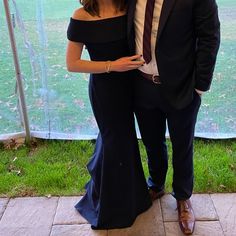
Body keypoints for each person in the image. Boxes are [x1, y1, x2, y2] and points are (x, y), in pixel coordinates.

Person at [127, 0, 220, 234]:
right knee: (151, 140)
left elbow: (209, 38)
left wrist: (200, 87)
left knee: (182, 144)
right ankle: (156, 184)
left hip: (182, 87)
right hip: (141, 83)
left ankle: (183, 197)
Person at [66, 0, 152, 230]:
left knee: (125, 141)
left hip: (135, 85)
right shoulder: (82, 16)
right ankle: (113, 209)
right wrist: (112, 65)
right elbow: (72, 63)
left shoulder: (129, 8)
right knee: (117, 142)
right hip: (106, 91)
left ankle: (134, 196)